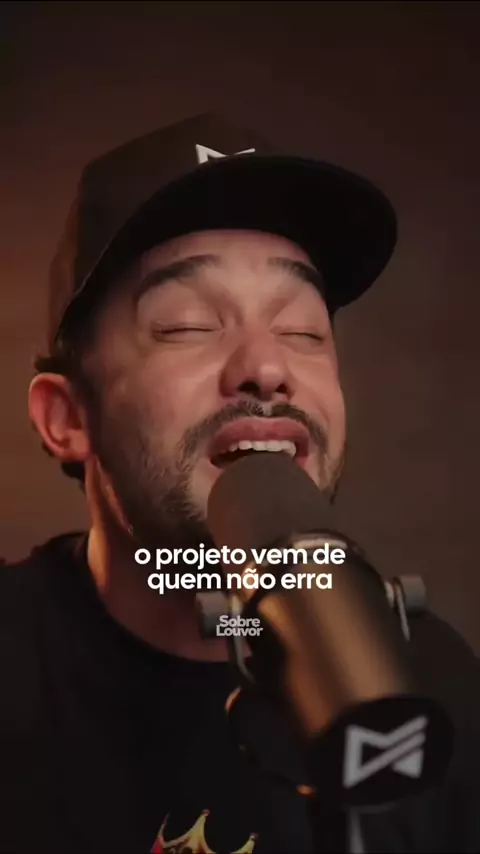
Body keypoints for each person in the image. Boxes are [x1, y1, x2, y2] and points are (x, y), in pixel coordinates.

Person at [1, 112, 479, 854]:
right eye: (188, 325)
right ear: (67, 418)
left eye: (303, 330)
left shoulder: (437, 685)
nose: (267, 367)